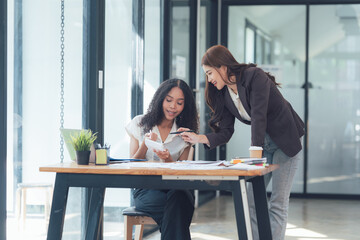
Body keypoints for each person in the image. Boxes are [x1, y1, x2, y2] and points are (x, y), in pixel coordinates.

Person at [178, 45, 304, 240]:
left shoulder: (254, 76)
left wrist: (254, 158)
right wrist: (199, 138)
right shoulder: (223, 93)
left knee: (278, 203)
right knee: (250, 200)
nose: (209, 79)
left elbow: (259, 116)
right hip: (263, 144)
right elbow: (226, 132)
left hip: (285, 142)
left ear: (222, 66)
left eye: (210, 73)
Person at [125, 78, 199, 240]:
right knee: (178, 207)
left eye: (179, 103)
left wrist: (168, 160)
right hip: (146, 189)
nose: (173, 107)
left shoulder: (184, 135)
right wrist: (145, 144)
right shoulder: (139, 123)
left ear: (185, 106)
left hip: (175, 188)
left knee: (179, 197)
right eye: (169, 100)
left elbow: (184, 173)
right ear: (160, 99)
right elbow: (131, 166)